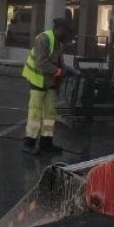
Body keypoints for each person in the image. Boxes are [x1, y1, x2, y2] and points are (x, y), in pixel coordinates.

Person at [21, 17, 75, 155]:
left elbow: (57, 61)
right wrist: (59, 71)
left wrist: (67, 69)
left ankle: (46, 143)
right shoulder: (43, 39)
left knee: (49, 115)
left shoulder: (56, 42)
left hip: (50, 83)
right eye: (67, 33)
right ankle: (29, 143)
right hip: (38, 82)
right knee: (35, 113)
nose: (67, 38)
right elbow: (41, 63)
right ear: (61, 29)